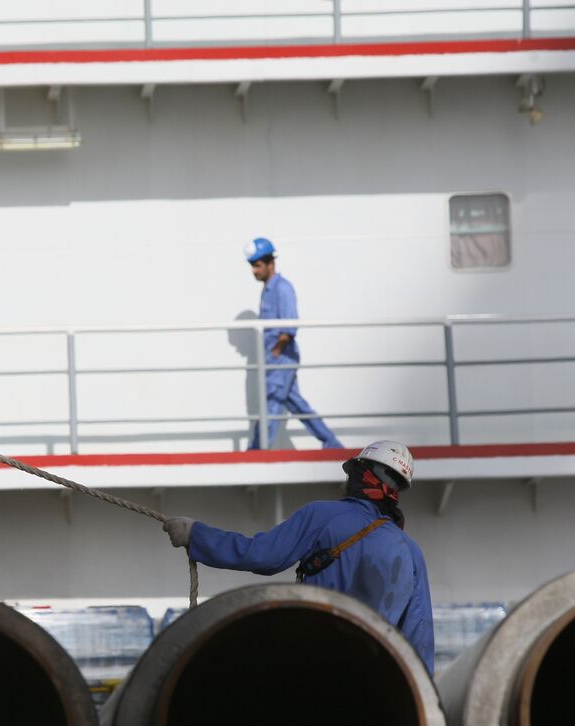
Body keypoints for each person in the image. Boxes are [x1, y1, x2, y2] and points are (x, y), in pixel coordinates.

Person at [162, 440, 434, 671]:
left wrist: (195, 535)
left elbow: (262, 556)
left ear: (359, 475)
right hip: (372, 681)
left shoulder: (322, 516)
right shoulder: (411, 551)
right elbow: (418, 638)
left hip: (315, 666)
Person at [244, 237, 342, 451]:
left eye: (257, 265)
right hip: (274, 359)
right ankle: (333, 444)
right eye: (252, 266)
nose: (254, 271)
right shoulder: (267, 290)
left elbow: (290, 326)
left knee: (271, 404)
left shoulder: (283, 288)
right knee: (296, 403)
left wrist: (276, 352)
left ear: (270, 263)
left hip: (281, 357)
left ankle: (256, 451)